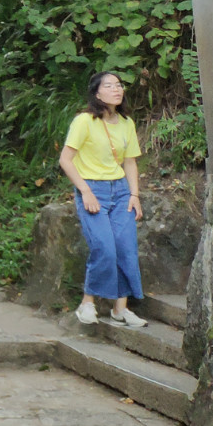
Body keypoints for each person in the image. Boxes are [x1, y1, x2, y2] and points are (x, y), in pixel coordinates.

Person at [58, 71, 145, 328]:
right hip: (92, 189)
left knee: (126, 248)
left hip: (120, 191)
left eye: (119, 85)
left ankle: (120, 309)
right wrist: (85, 191)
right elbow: (65, 159)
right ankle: (87, 303)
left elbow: (130, 162)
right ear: (97, 93)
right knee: (104, 247)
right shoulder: (84, 121)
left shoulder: (126, 123)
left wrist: (135, 195)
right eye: (109, 86)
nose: (116, 89)